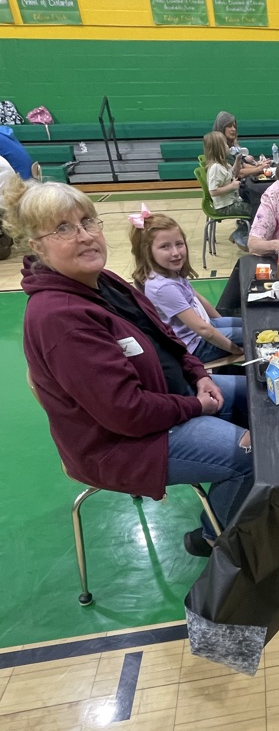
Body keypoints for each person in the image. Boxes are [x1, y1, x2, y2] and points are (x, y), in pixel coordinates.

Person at [6, 177, 254, 558]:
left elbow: (167, 341)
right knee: (251, 459)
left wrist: (199, 374)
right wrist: (197, 405)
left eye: (88, 221)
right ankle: (211, 537)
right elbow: (127, 413)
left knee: (261, 397)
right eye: (64, 229)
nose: (85, 236)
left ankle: (253, 507)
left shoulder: (104, 281)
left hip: (170, 400)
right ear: (36, 246)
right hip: (124, 442)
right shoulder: (60, 318)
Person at [129, 204, 243, 363]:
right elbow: (204, 331)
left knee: (250, 324)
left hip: (203, 327)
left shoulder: (170, 272)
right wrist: (236, 350)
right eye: (165, 247)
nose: (175, 253)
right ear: (147, 252)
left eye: (179, 244)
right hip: (197, 346)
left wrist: (220, 322)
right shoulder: (163, 287)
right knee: (253, 335)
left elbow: (198, 298)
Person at [212, 112, 270, 179]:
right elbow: (238, 173)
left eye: (234, 126)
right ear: (221, 127)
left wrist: (261, 166)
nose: (233, 129)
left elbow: (243, 165)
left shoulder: (230, 146)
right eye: (229, 126)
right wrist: (259, 169)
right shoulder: (221, 149)